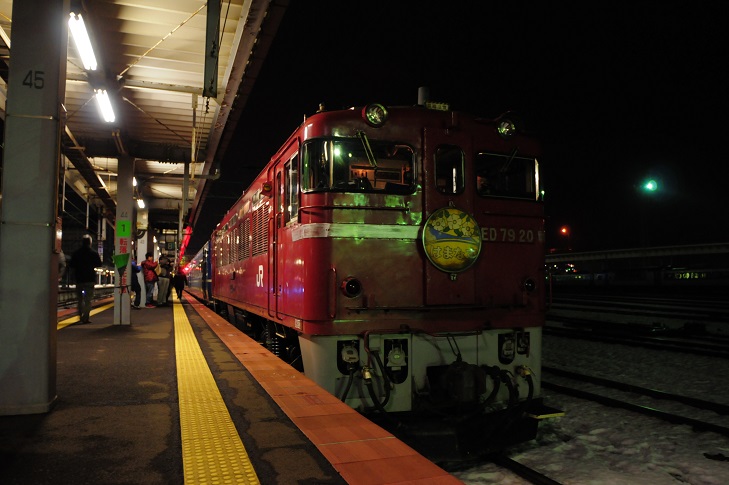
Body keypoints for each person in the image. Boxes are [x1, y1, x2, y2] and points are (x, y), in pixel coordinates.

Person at [69, 234, 102, 324]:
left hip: (79, 279)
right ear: (90, 243)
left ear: (82, 242)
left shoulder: (76, 253)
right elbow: (99, 264)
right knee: (88, 300)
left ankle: (80, 317)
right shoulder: (94, 253)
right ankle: (86, 318)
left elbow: (71, 265)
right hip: (90, 279)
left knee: (80, 300)